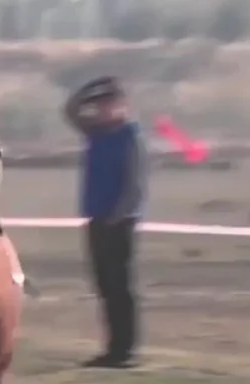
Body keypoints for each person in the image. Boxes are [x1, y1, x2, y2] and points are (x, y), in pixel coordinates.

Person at [63, 76, 147, 369]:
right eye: (99, 105)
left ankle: (126, 350)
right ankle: (111, 348)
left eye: (108, 104)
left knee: (120, 285)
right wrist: (88, 89)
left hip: (119, 222)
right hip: (96, 218)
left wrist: (119, 214)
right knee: (104, 286)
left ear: (121, 106)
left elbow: (135, 182)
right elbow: (70, 111)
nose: (102, 110)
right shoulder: (94, 132)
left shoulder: (129, 136)